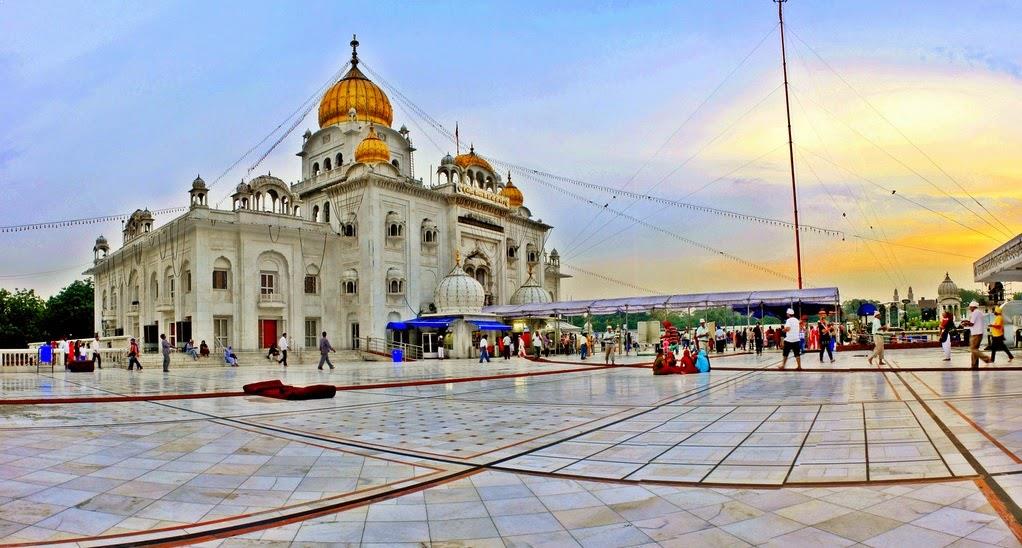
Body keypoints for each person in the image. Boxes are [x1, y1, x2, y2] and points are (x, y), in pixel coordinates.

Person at [961, 300, 991, 369]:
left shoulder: (975, 313)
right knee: (975, 350)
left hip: (976, 334)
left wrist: (965, 324)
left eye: (970, 307)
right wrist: (966, 321)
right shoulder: (979, 312)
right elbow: (973, 322)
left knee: (973, 349)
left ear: (973, 307)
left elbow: (971, 323)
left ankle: (986, 359)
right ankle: (974, 365)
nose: (969, 308)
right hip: (978, 333)